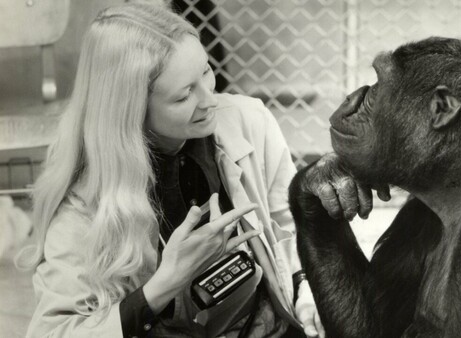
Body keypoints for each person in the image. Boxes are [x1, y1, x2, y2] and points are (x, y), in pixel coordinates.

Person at [18, 3, 342, 337]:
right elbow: (50, 332)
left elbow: (291, 225)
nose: (209, 100)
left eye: (205, 71)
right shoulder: (84, 201)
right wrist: (164, 284)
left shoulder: (250, 122)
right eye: (185, 95)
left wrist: (306, 289)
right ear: (132, 110)